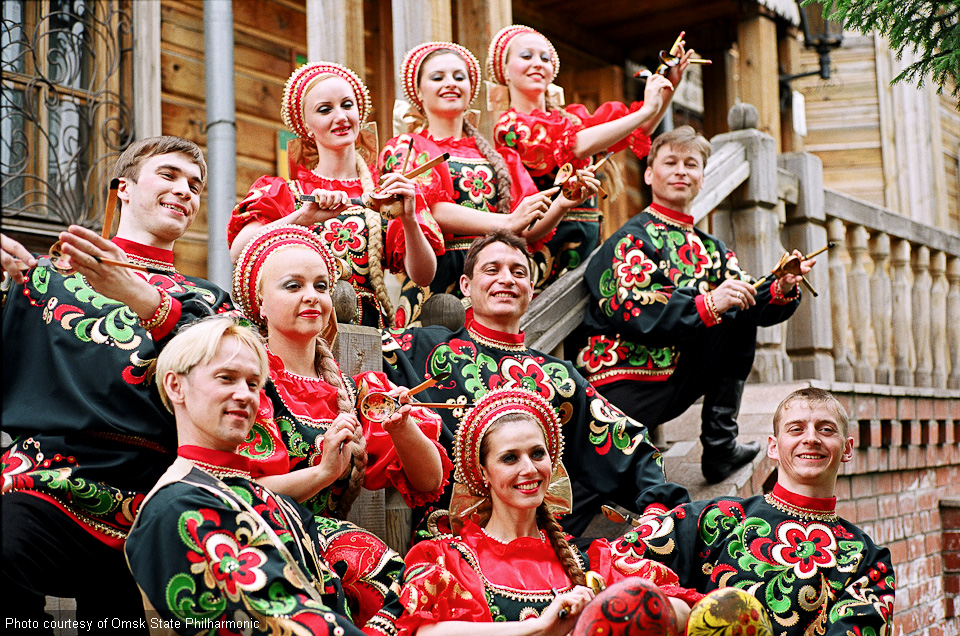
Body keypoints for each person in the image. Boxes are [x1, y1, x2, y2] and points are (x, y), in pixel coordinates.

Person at [1, 136, 233, 630]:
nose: (185, 190)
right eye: (168, 175)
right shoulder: (43, 279)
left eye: (195, 185)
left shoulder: (208, 301)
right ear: (122, 188)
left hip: (155, 495)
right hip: (45, 483)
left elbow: (229, 378)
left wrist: (152, 304)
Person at [382, 229, 689, 537]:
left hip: (540, 543)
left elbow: (627, 442)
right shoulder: (422, 349)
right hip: (450, 545)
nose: (506, 279)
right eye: (492, 270)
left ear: (531, 289)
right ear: (466, 285)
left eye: (518, 272)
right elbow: (361, 351)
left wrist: (656, 508)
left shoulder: (559, 377)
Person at [125, 316, 399, 635]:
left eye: (254, 384)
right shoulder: (177, 508)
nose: (245, 395)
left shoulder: (265, 499)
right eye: (226, 378)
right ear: (176, 386)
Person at [576, 125, 815, 484]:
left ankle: (720, 445)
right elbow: (638, 312)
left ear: (702, 178)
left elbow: (750, 298)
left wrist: (781, 285)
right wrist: (709, 302)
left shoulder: (712, 249)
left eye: (691, 164)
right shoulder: (629, 240)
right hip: (624, 380)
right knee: (595, 492)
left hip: (677, 374)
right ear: (649, 174)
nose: (681, 171)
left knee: (736, 307)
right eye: (670, 162)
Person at [395, 387, 701, 635]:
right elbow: (421, 631)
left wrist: (608, 612)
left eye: (537, 454)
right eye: (510, 458)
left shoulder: (588, 560)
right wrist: (540, 627)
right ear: (483, 472)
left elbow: (682, 607)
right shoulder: (450, 559)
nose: (529, 469)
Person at [608, 387, 896, 635]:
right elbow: (616, 557)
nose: (811, 438)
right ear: (773, 447)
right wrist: (687, 607)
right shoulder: (718, 517)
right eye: (796, 429)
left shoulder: (867, 561)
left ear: (847, 449)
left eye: (826, 429)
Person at [231, 224, 451, 521]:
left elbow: (429, 481)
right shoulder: (248, 385)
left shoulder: (359, 392)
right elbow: (241, 493)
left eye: (321, 286)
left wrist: (402, 428)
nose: (312, 296)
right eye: (293, 286)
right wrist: (324, 473)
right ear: (261, 304)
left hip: (331, 541)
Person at [381, 41, 597, 325]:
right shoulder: (406, 148)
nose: (450, 83)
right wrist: (506, 222)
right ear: (418, 92)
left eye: (459, 77)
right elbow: (429, 210)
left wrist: (562, 204)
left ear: (471, 89)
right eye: (438, 77)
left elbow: (526, 229)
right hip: (438, 283)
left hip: (493, 282)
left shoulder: (499, 157)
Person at [228, 61, 440, 328]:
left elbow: (423, 276)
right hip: (306, 326)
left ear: (359, 113)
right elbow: (239, 252)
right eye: (325, 109)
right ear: (306, 125)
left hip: (370, 333)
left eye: (347, 105)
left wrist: (409, 218)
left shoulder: (386, 192)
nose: (340, 116)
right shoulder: (287, 193)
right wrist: (301, 218)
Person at [488, 24, 691, 289]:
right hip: (548, 248)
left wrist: (670, 85)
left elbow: (636, 129)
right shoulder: (511, 128)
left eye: (545, 58)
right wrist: (646, 110)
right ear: (504, 71)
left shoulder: (573, 119)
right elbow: (576, 147)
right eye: (526, 56)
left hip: (589, 244)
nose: (537, 63)